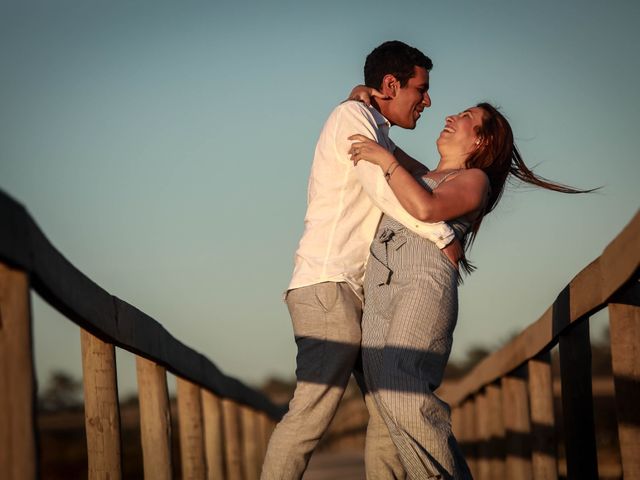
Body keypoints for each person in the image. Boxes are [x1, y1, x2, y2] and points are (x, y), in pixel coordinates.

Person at [348, 102, 589, 479]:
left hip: (421, 285)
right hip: (379, 289)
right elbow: (383, 142)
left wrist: (384, 160)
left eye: (465, 118)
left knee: (403, 392)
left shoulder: (475, 181)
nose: (450, 117)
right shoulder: (419, 173)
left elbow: (426, 208)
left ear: (481, 139)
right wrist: (360, 101)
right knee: (382, 412)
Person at [261, 41, 463, 480]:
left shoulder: (370, 122)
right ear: (391, 84)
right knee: (310, 416)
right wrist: (441, 233)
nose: (428, 101)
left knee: (390, 411)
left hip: (354, 293)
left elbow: (417, 173)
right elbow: (381, 186)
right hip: (327, 289)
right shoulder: (352, 118)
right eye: (421, 89)